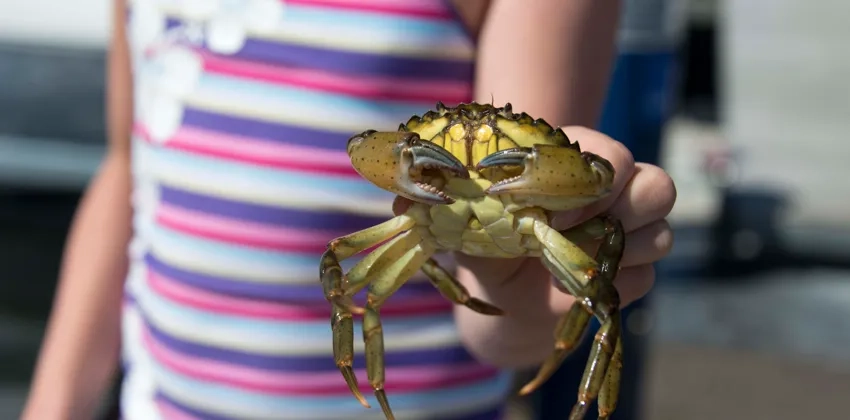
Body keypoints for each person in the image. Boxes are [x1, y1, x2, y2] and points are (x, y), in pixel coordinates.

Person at [22, 1, 676, 419]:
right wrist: (52, 406)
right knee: (350, 279)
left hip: (442, 395)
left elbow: (510, 322)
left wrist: (513, 294)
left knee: (601, 302)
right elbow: (125, 171)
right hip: (155, 405)